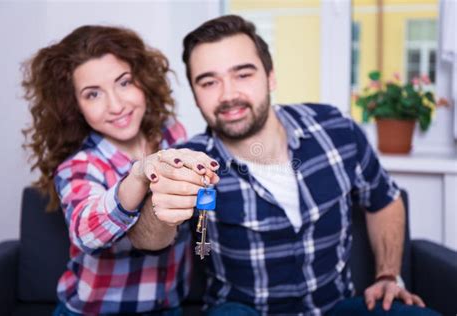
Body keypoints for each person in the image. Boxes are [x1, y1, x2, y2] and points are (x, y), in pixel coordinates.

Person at [175, 15, 439, 315]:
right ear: (195, 96)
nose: (228, 94)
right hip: (244, 310)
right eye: (209, 82)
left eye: (243, 75)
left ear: (270, 76)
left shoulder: (335, 130)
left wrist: (388, 275)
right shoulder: (187, 163)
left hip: (335, 307)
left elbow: (385, 199)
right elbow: (153, 238)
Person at [22, 25, 219, 315]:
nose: (116, 105)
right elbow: (86, 234)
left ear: (143, 80)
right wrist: (139, 175)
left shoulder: (172, 135)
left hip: (169, 306)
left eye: (124, 83)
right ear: (74, 106)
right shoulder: (78, 165)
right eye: (93, 95)